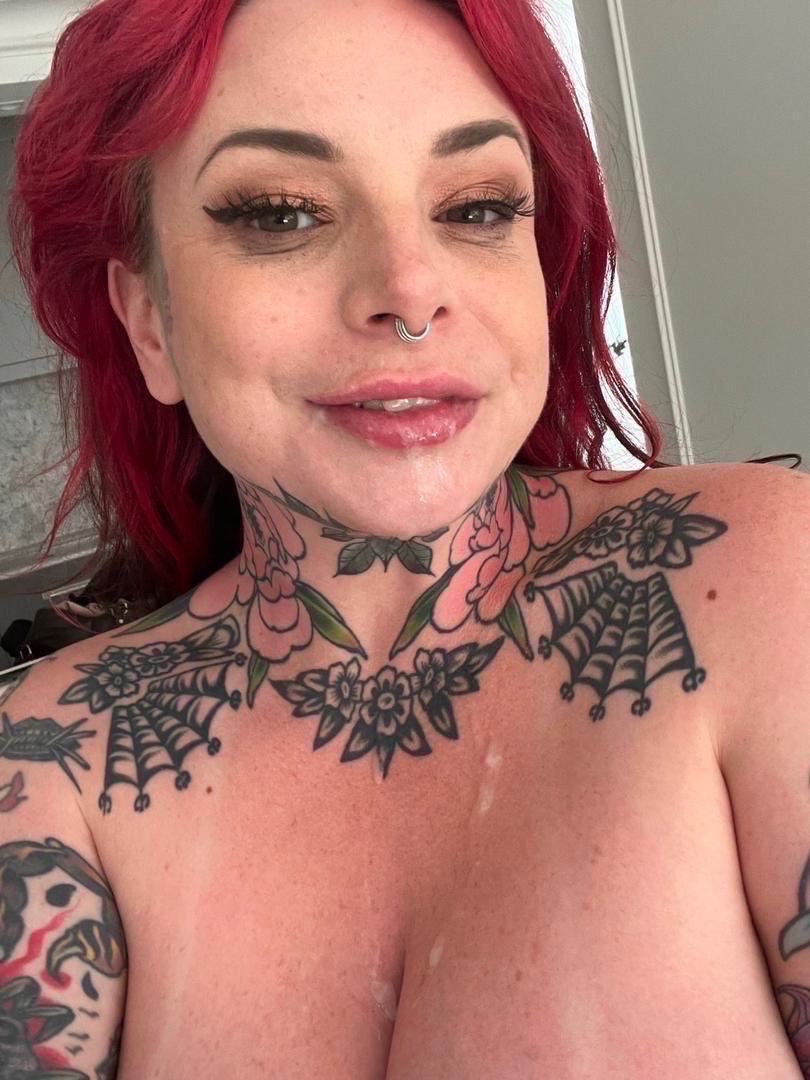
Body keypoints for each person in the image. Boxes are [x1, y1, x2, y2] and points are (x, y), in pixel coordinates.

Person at [2, 0, 808, 1075]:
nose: (410, 292)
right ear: (149, 322)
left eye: (476, 207)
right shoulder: (51, 758)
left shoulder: (763, 581)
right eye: (282, 213)